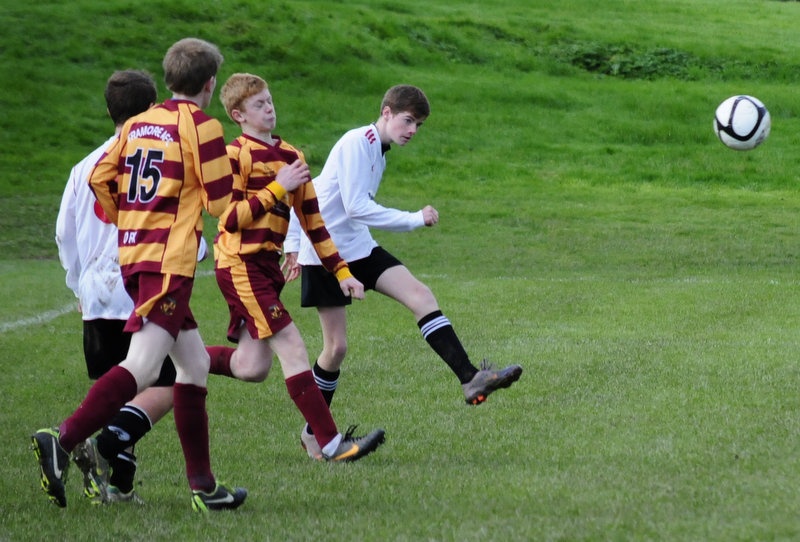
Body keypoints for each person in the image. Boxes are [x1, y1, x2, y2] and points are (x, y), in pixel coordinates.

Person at [32, 37, 246, 513]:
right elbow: (221, 205)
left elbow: (99, 178)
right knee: (146, 368)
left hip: (135, 259)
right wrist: (272, 197)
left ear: (169, 80)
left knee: (191, 369)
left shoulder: (140, 124)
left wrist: (131, 222)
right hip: (168, 265)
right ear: (210, 85)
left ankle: (204, 487)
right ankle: (62, 440)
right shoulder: (203, 127)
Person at [284, 84, 523, 458]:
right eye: (408, 120)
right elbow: (354, 206)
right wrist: (414, 218)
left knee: (420, 295)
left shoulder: (378, 150)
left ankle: (470, 378)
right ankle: (315, 435)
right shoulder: (355, 143)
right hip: (326, 253)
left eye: (419, 125)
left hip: (357, 246)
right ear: (386, 112)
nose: (412, 130)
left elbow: (319, 192)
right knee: (335, 349)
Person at [208, 72, 385, 462]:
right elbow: (228, 219)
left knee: (252, 367)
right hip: (239, 264)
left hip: (266, 268)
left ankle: (173, 356)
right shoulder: (233, 155)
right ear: (238, 115)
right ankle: (330, 443)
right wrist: (277, 186)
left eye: (270, 100)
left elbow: (313, 223)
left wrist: (343, 273)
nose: (269, 108)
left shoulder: (291, 156)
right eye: (259, 104)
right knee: (293, 346)